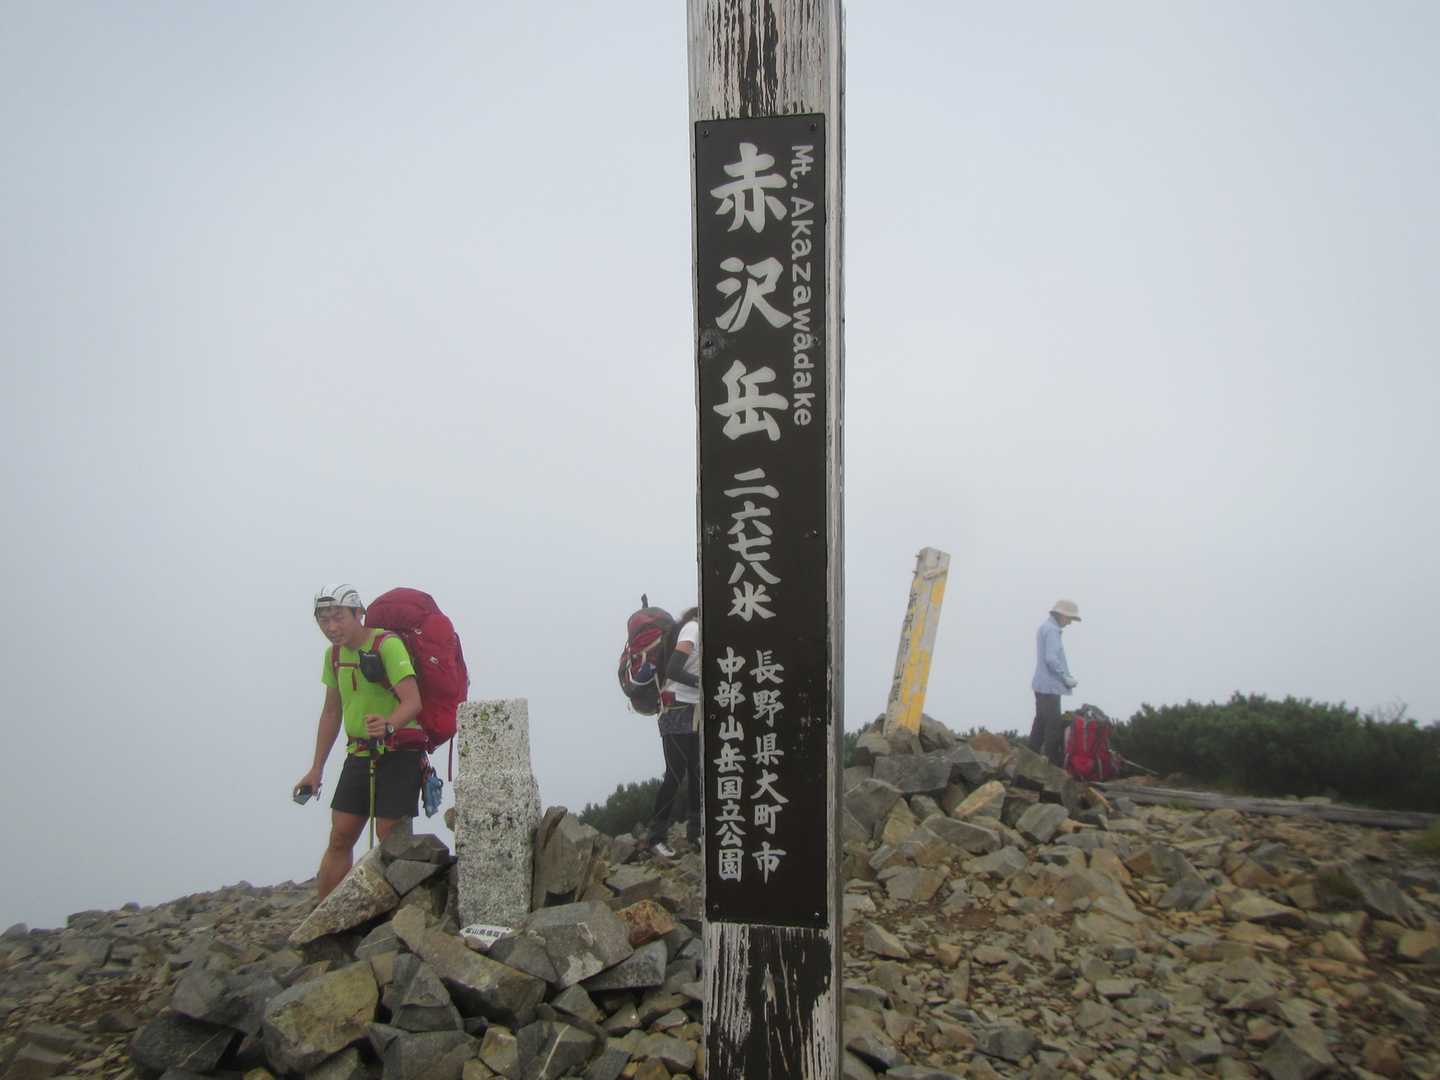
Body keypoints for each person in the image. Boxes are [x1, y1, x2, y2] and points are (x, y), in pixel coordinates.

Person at [292, 584, 424, 901]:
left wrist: (388, 724)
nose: (331, 627)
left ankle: (401, 916)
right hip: (359, 753)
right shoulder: (334, 656)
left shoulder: (387, 645)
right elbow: (331, 712)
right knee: (341, 836)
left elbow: (413, 702)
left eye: (338, 617)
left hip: (399, 751)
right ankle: (325, 917)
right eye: (323, 620)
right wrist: (316, 769)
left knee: (389, 837)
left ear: (358, 614)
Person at [647, 606, 701, 858]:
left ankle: (696, 833)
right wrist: (701, 682)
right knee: (676, 773)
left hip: (694, 709)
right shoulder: (693, 628)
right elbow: (673, 670)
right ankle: (656, 838)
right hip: (675, 708)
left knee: (697, 771)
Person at [1029, 599, 1081, 768]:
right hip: (1050, 686)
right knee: (1053, 726)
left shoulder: (1045, 627)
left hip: (1041, 684)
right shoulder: (1052, 630)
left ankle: (1029, 760)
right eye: (1069, 618)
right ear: (1061, 615)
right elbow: (1051, 658)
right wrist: (1064, 677)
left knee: (1040, 723)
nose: (1070, 622)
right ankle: (1049, 766)